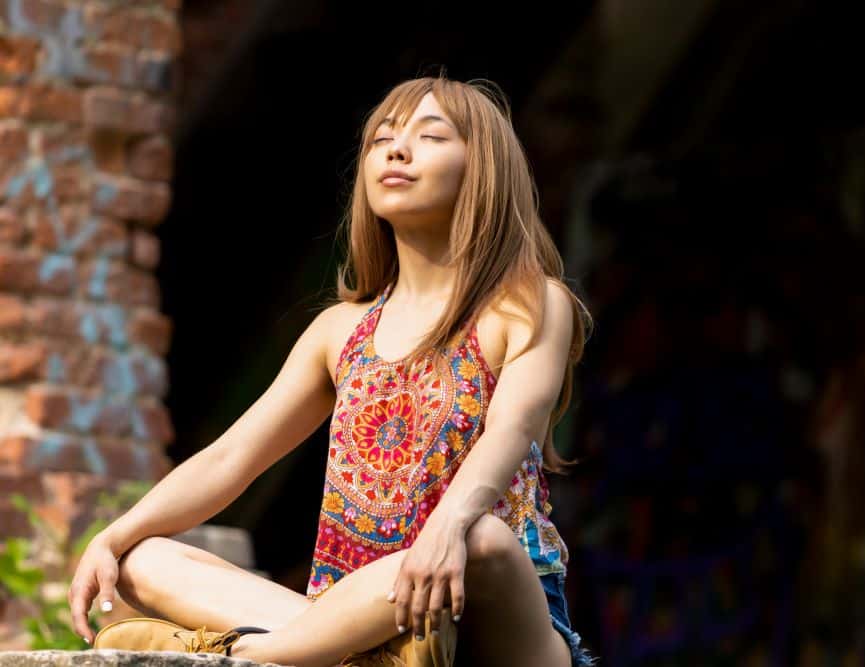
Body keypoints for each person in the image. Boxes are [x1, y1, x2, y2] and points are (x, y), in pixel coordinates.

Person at [68, 75, 597, 667]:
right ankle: (361, 654)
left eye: (430, 136)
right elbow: (230, 457)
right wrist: (115, 536)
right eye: (382, 139)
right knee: (146, 560)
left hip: (494, 618)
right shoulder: (340, 331)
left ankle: (247, 657)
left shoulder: (528, 302)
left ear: (485, 172)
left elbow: (512, 425)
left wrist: (446, 529)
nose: (396, 150)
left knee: (485, 539)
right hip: (359, 608)